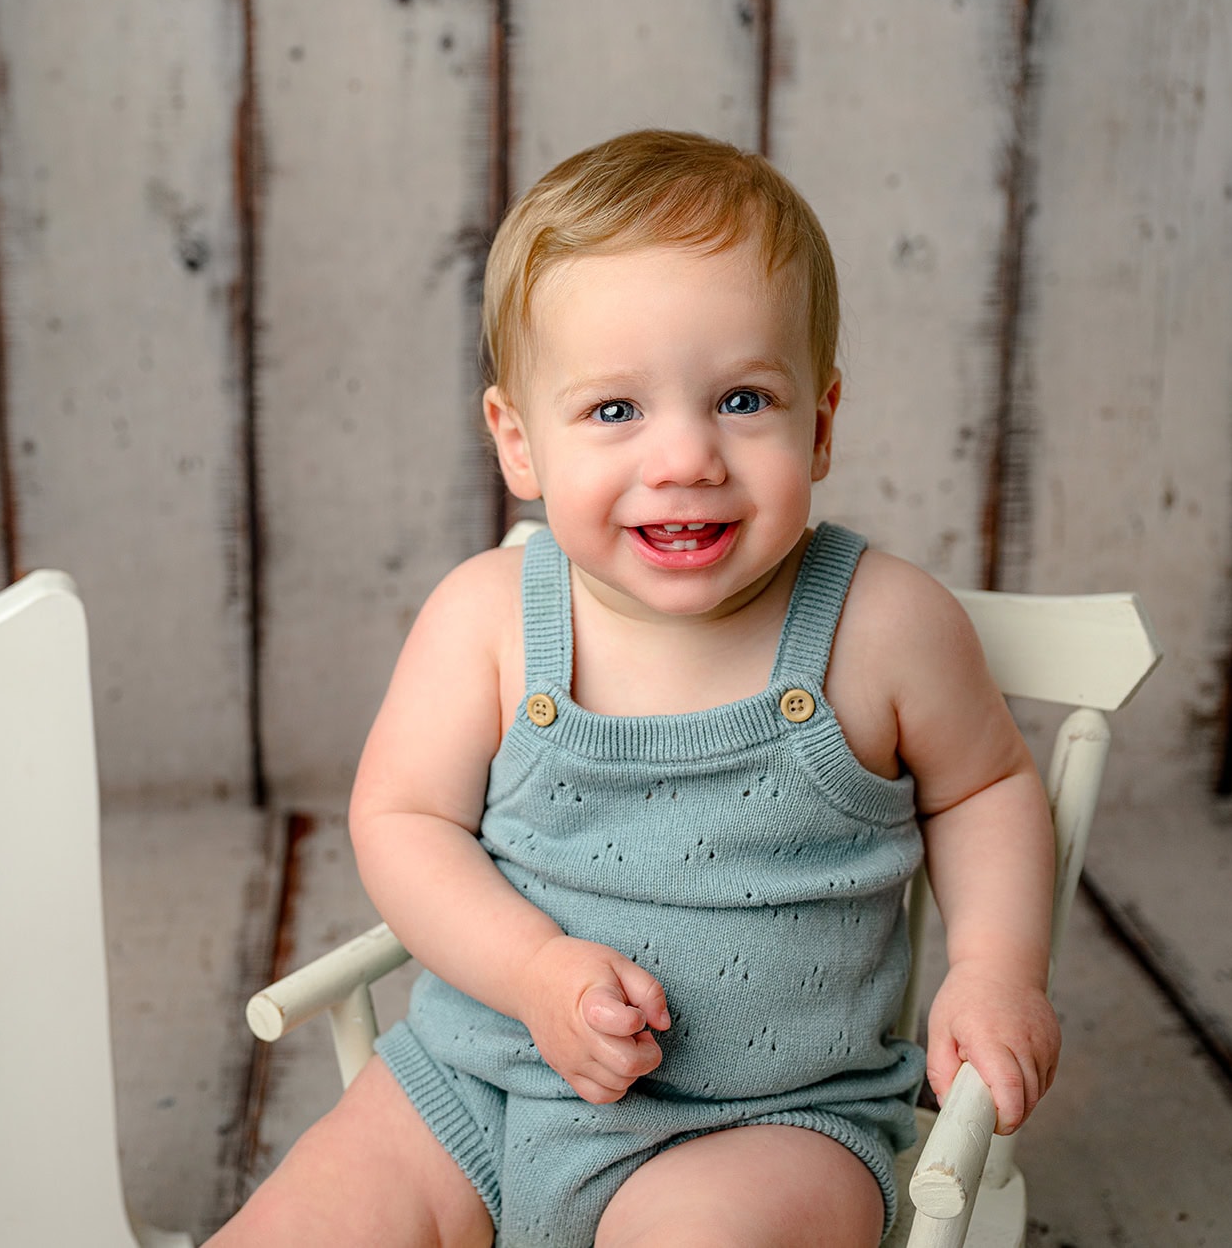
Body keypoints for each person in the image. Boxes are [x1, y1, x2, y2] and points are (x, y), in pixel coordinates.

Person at [211, 130, 1059, 1248]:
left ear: (819, 422)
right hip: (476, 1084)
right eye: (615, 411)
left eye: (742, 401)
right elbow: (400, 820)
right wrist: (530, 969)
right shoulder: (486, 619)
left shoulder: (880, 626)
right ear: (518, 443)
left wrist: (994, 968)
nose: (685, 459)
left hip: (766, 1124)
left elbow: (985, 787)